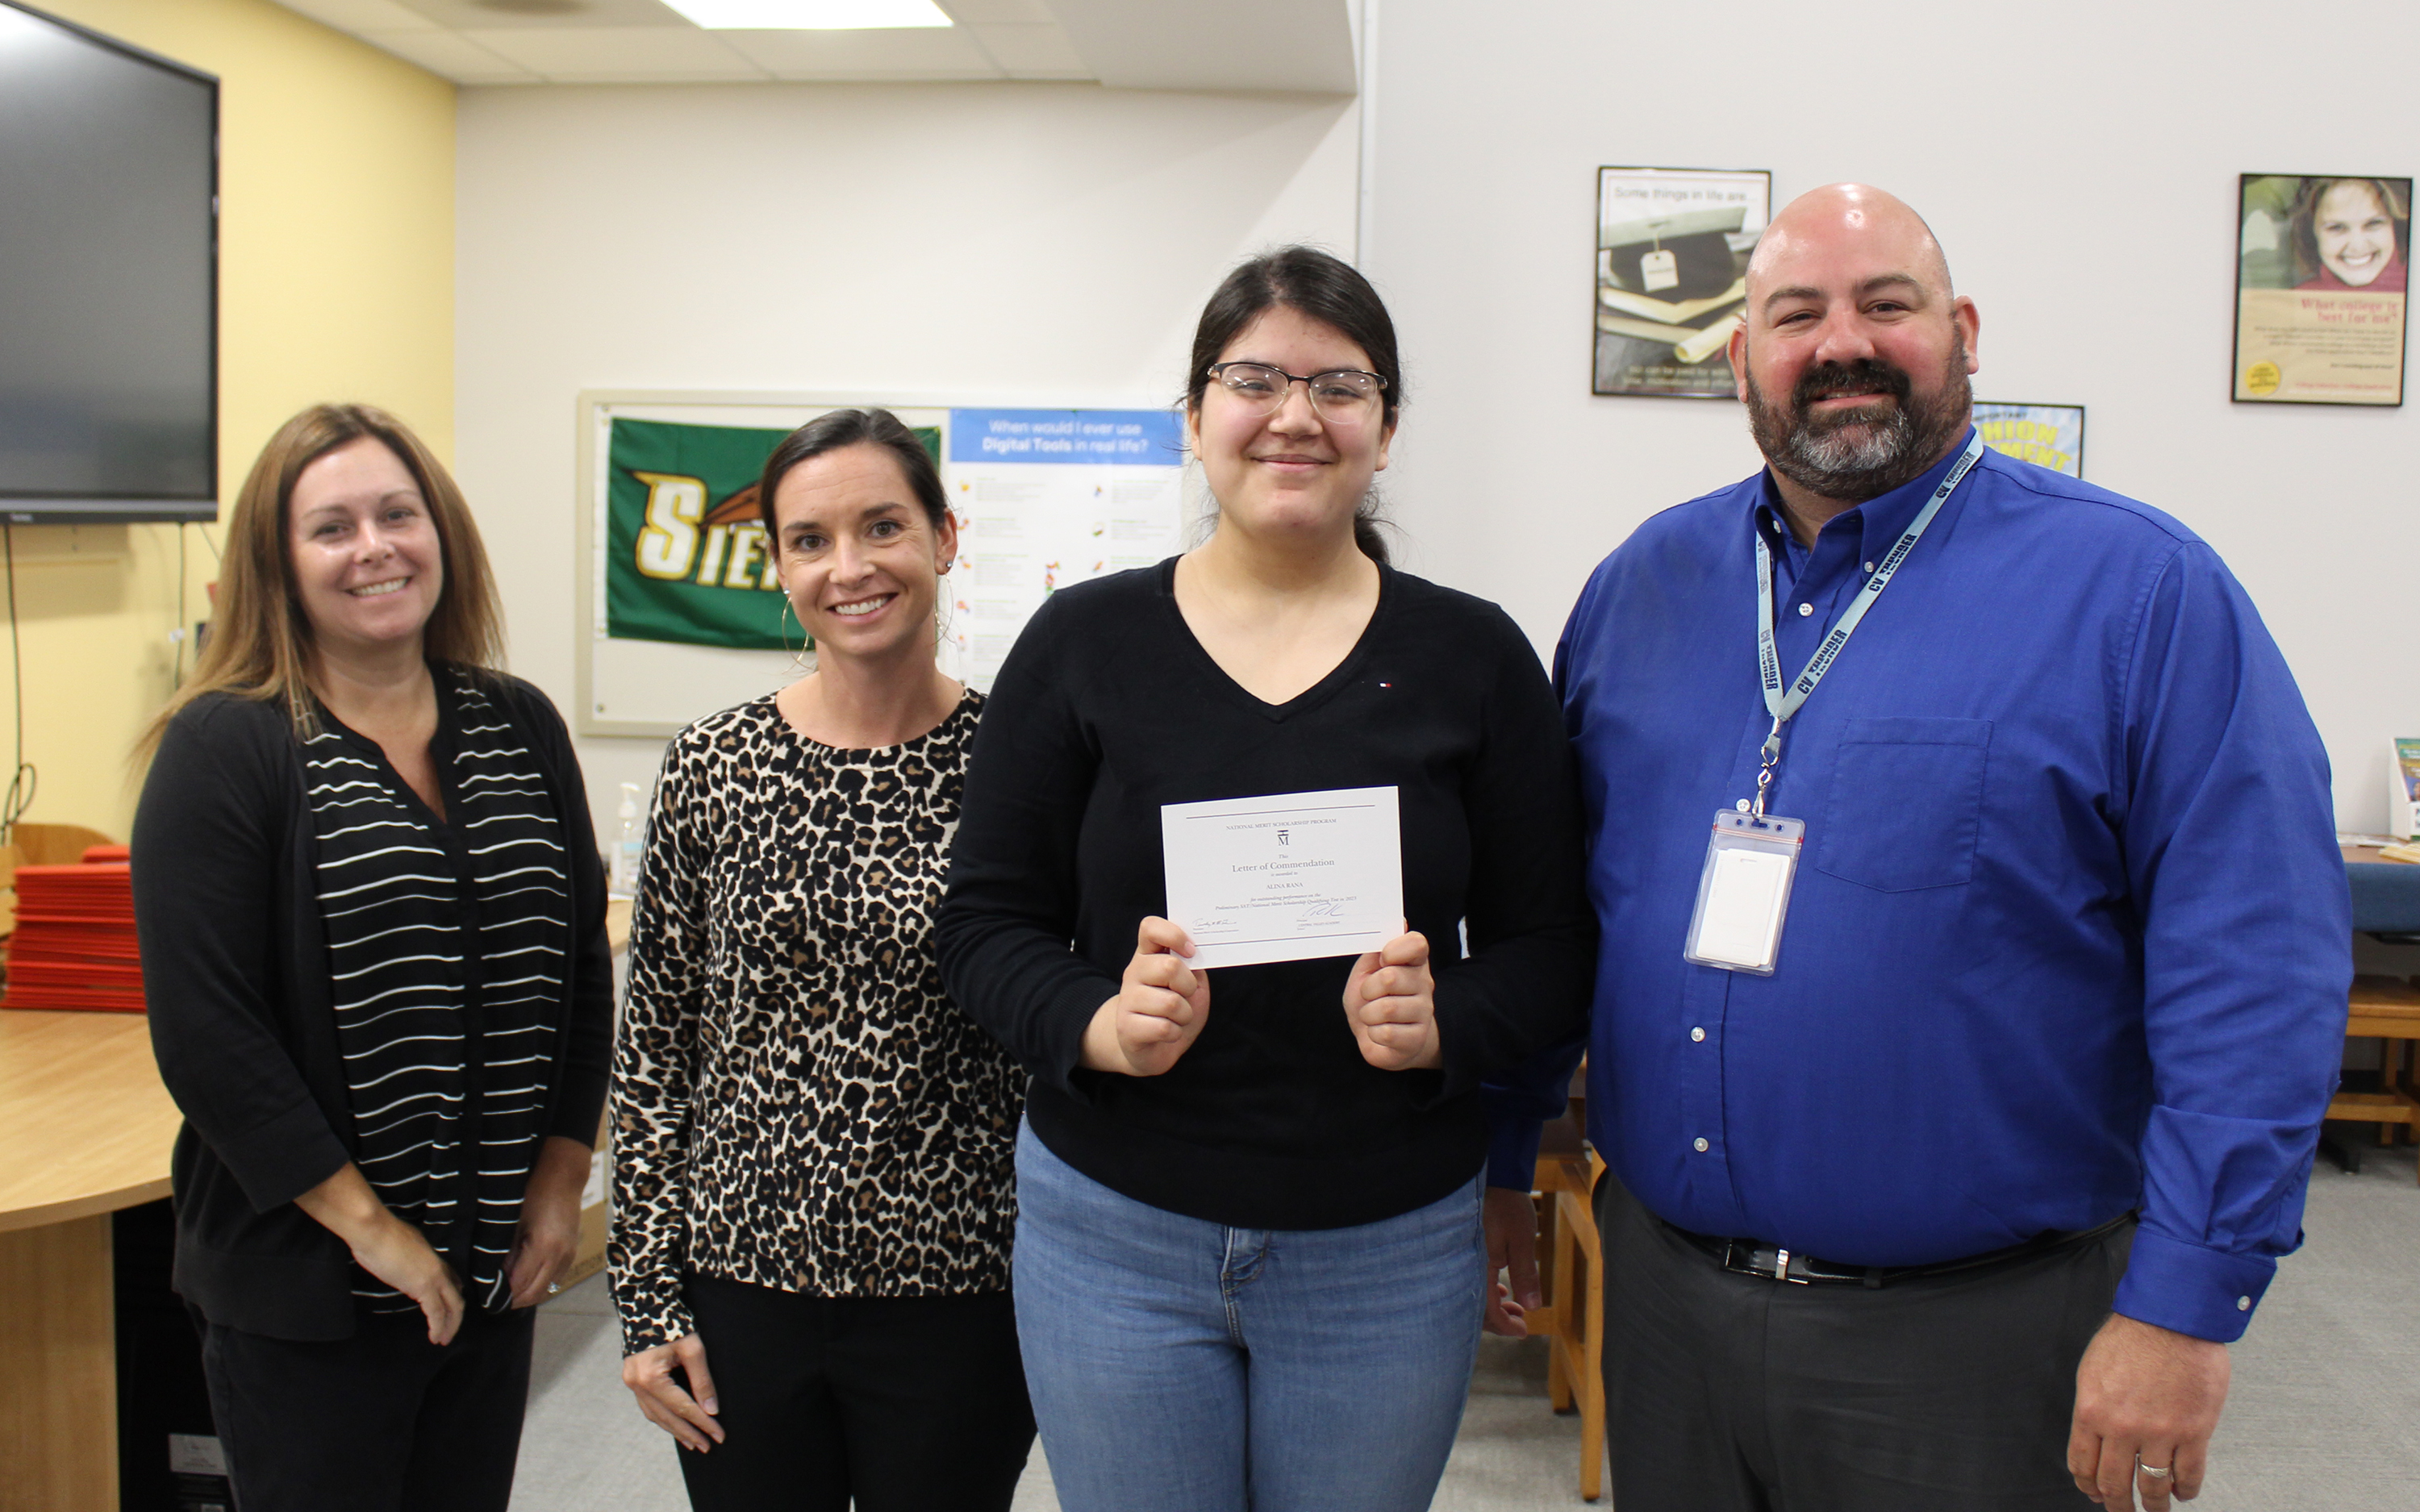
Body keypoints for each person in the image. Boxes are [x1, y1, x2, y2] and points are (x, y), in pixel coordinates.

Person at [1486, 184, 2351, 1512]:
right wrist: (1508, 1170)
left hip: (1981, 1348)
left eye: (1887, 305)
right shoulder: (1640, 590)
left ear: (1962, 333)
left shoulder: (2141, 597)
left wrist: (2186, 1308)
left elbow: (2258, 970)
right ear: (1740, 360)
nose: (1844, 342)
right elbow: (1566, 915)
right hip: (1668, 1317)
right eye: (1796, 314)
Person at [935, 246, 1595, 1512]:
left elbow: (1554, 944)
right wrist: (1094, 1021)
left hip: (1387, 1241)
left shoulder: (1473, 654)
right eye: (1253, 378)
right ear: (1194, 419)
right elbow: (983, 923)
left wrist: (1448, 1016)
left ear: (1386, 429)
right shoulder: (1084, 642)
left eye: (1338, 385)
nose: (1295, 414)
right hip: (1116, 1229)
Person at [131, 403, 614, 1512]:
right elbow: (210, 1037)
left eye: (398, 513)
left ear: (441, 531)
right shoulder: (228, 743)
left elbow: (577, 969)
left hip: (488, 1275)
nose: (375, 547)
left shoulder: (518, 723)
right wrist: (375, 1230)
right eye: (332, 527)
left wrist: (558, 1177)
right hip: (314, 1290)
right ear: (278, 565)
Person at [609, 408, 1034, 1512]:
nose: (849, 567)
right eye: (810, 539)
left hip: (962, 1290)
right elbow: (655, 1048)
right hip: (741, 1286)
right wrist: (648, 1299)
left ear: (944, 537)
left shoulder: (1020, 767)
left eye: (882, 526)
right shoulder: (713, 762)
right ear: (778, 566)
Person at [2292, 176, 2409, 291]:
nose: (2357, 246)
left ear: (2395, 227)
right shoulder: (2296, 301)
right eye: (2337, 228)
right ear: (2312, 233)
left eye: (2373, 224)